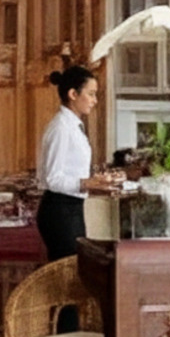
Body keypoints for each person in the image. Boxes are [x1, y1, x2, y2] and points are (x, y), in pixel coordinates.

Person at [36, 65, 121, 262]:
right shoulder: (61, 128)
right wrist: (89, 183)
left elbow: (73, 171)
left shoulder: (74, 126)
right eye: (90, 94)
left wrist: (99, 184)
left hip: (72, 207)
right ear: (73, 94)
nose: (95, 100)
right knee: (68, 272)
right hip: (59, 210)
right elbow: (53, 179)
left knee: (75, 269)